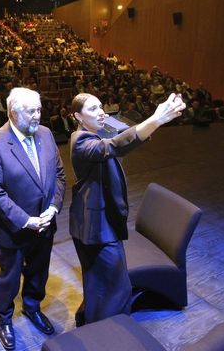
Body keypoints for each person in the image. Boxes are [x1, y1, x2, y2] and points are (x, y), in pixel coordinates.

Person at [69, 92, 185, 327]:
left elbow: (124, 133)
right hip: (95, 225)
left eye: (101, 106)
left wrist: (149, 122)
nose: (101, 112)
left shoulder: (100, 130)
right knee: (116, 285)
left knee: (97, 277)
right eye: (93, 109)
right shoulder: (80, 140)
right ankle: (114, 331)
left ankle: (89, 320)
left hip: (100, 220)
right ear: (77, 117)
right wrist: (156, 119)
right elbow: (114, 146)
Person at [0, 87, 66, 351]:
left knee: (39, 271)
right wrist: (26, 220)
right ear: (13, 113)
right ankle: (5, 318)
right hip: (15, 228)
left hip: (45, 222)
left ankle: (32, 307)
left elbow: (60, 176)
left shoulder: (47, 134)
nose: (38, 115)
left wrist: (53, 207)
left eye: (39, 109)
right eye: (31, 111)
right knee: (10, 276)